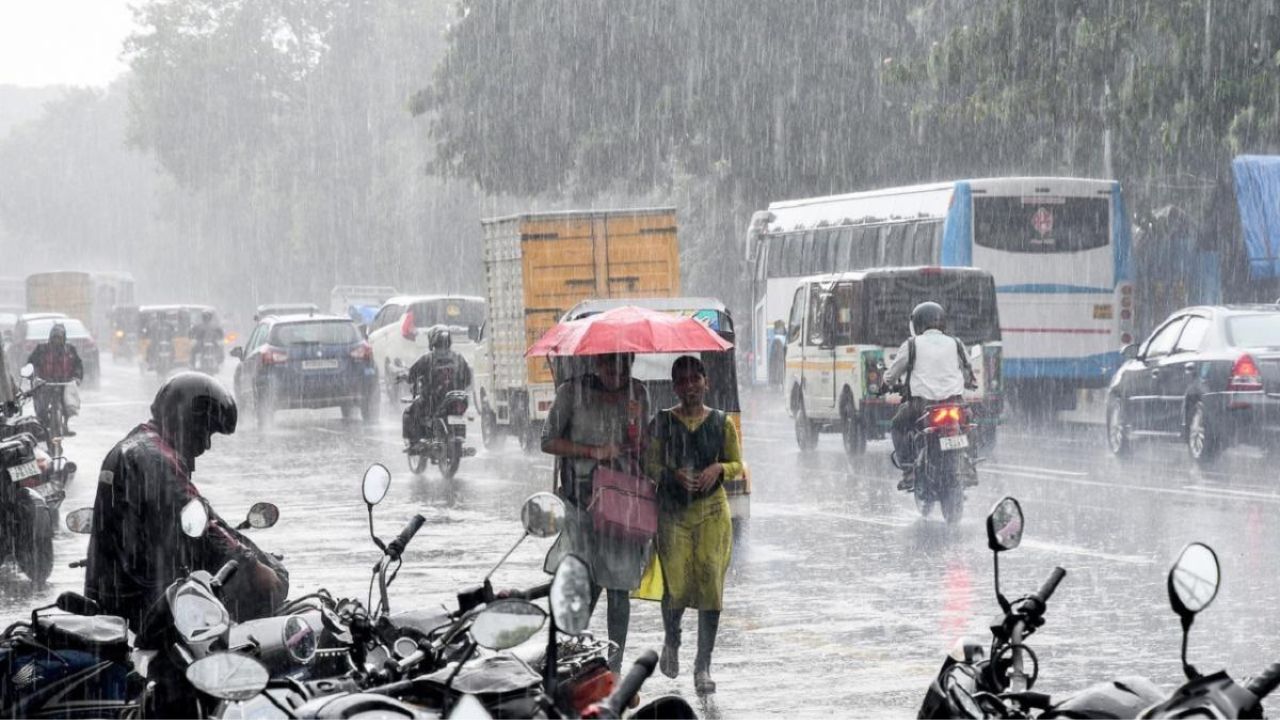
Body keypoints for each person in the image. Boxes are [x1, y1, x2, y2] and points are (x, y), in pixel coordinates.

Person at [84, 372, 289, 633]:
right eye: (205, 431)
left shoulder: (140, 446)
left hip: (118, 590)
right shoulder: (154, 458)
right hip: (141, 597)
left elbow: (200, 512)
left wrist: (248, 552)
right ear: (187, 422)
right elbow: (197, 522)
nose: (206, 445)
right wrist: (251, 566)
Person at [542, 352, 650, 674]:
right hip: (579, 502)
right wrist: (593, 451)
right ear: (597, 364)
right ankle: (573, 661)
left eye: (623, 366)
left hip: (622, 504)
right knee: (582, 584)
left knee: (618, 589)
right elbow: (547, 440)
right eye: (608, 365)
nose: (616, 373)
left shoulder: (638, 393)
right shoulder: (569, 392)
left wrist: (634, 429)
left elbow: (644, 445)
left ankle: (614, 668)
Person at [644, 355, 741, 695]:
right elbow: (650, 464)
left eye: (695, 380)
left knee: (711, 585)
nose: (689, 387)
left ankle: (703, 666)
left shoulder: (721, 423)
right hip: (673, 513)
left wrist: (720, 470)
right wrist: (671, 475)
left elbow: (737, 464)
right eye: (682, 382)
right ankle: (672, 640)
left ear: (705, 382)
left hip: (713, 512)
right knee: (679, 585)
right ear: (674, 387)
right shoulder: (662, 422)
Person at [881, 301, 976, 491]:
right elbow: (968, 370)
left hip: (922, 405)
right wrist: (969, 382)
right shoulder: (955, 343)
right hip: (954, 403)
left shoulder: (911, 344)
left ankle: (909, 470)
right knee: (969, 423)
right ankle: (969, 463)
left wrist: (885, 384)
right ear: (942, 322)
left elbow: (892, 374)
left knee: (898, 426)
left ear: (917, 324)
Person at [402, 325, 473, 442]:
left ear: (432, 341)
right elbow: (468, 379)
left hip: (433, 401)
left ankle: (414, 444)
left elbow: (412, 374)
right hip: (458, 401)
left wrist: (405, 376)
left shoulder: (427, 359)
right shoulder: (459, 358)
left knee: (409, 413)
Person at [26, 323, 84, 436]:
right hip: (45, 384)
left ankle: (65, 424)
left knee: (68, 404)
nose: (57, 340)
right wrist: (35, 377)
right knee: (41, 408)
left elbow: (78, 365)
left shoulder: (70, 350)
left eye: (59, 337)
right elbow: (32, 364)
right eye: (54, 337)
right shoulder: (41, 349)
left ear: (64, 338)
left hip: (64, 383)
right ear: (50, 337)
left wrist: (76, 378)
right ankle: (42, 426)